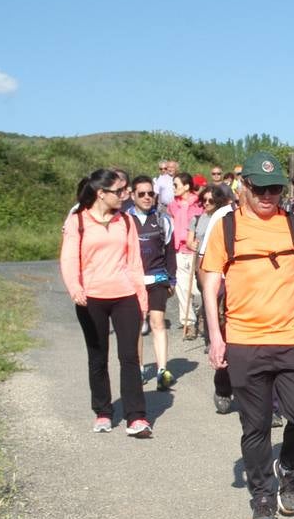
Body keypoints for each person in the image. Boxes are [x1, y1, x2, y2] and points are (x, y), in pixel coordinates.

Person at [202, 151, 294, 519]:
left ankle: (289, 466)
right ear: (244, 187)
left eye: (275, 188)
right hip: (245, 341)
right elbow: (211, 282)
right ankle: (263, 495)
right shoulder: (226, 229)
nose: (268, 195)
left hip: (293, 338)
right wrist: (216, 336)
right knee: (256, 425)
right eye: (260, 188)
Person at [59, 169, 152, 437]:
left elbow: (135, 263)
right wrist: (75, 287)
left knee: (130, 357)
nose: (125, 196)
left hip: (124, 296)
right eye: (119, 192)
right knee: (97, 357)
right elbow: (68, 259)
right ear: (102, 193)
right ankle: (102, 411)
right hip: (91, 298)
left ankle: (136, 417)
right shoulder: (78, 220)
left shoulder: (127, 221)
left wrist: (141, 300)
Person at [127, 176, 177, 391]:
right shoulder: (124, 220)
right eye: (142, 194)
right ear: (132, 196)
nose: (147, 197)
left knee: (157, 322)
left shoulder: (163, 219)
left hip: (157, 277)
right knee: (137, 325)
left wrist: (172, 279)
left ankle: (162, 370)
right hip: (133, 280)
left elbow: (170, 253)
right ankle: (138, 369)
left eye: (151, 194)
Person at [194, 184, 238, 413]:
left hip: (258, 289)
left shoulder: (278, 217)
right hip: (225, 283)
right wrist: (208, 290)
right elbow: (204, 257)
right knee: (228, 338)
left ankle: (271, 403)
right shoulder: (222, 216)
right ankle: (223, 385)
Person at [167, 172, 202, 340]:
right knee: (181, 287)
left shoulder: (199, 204)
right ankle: (188, 322)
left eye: (176, 185)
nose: (173, 188)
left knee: (197, 288)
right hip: (179, 250)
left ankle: (202, 313)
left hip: (195, 250)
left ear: (187, 186)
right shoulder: (173, 205)